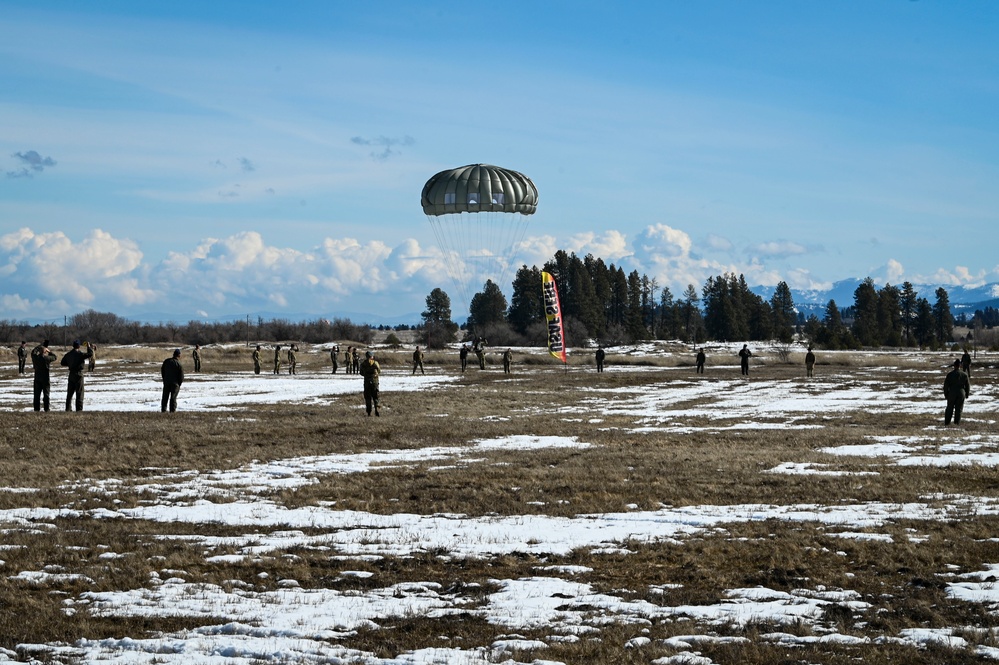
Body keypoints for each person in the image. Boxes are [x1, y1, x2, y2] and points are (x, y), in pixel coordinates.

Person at [60, 340, 93, 411]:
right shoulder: (80, 354)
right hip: (79, 374)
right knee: (79, 393)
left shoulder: (68, 354)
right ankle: (79, 409)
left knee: (70, 393)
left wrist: (70, 364)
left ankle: (68, 409)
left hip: (71, 374)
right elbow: (90, 354)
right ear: (79, 346)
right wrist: (89, 347)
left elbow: (62, 363)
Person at [30, 340, 57, 412]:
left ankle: (36, 408)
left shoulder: (36, 358)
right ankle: (46, 408)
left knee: (36, 395)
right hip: (45, 378)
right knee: (46, 394)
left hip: (37, 377)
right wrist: (49, 351)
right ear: (45, 352)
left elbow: (33, 353)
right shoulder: (47, 358)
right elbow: (54, 357)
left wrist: (39, 347)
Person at [943, 358, 971, 426]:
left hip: (952, 393)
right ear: (960, 366)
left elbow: (946, 385)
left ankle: (947, 422)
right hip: (961, 393)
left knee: (950, 408)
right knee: (959, 409)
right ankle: (956, 423)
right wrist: (967, 394)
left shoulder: (950, 374)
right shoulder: (964, 374)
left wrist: (946, 394)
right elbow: (967, 385)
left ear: (954, 366)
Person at [160, 348, 184, 413]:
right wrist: (179, 383)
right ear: (179, 355)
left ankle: (163, 410)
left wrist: (164, 379)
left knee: (165, 397)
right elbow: (181, 375)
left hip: (167, 382)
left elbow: (162, 371)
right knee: (173, 398)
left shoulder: (166, 361)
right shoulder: (179, 364)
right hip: (175, 383)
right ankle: (172, 411)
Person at [358, 350, 381, 416]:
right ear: (372, 356)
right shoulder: (375, 363)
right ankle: (377, 410)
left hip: (367, 382)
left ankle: (369, 412)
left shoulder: (363, 364)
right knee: (376, 397)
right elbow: (379, 371)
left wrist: (367, 375)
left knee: (368, 397)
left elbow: (361, 373)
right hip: (375, 382)